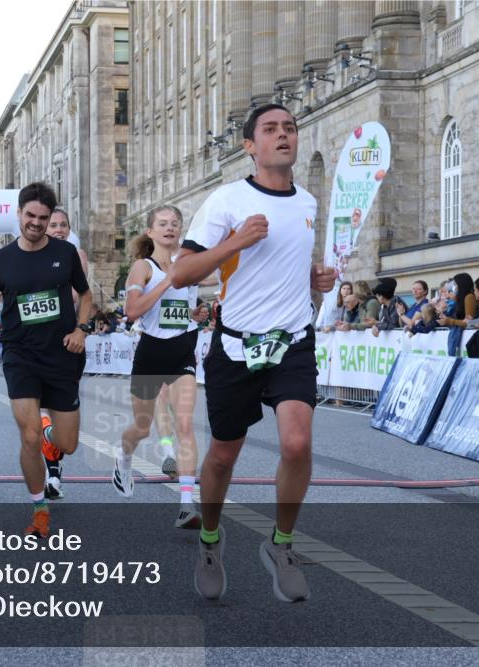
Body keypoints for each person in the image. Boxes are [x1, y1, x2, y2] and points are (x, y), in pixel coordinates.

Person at [171, 103, 336, 602]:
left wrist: (314, 280)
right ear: (250, 146)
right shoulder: (225, 200)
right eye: (271, 129)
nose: (283, 135)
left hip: (292, 341)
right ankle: (210, 540)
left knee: (297, 443)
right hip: (236, 346)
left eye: (289, 128)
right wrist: (236, 241)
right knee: (223, 456)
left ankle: (281, 544)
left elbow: (283, 268)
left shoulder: (307, 201)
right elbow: (183, 273)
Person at [0, 182, 91, 537]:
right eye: (30, 216)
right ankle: (39, 509)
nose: (36, 223)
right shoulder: (2, 260)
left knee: (67, 445)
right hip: (20, 355)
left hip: (62, 355)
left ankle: (52, 436)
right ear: (18, 214)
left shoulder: (65, 253)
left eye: (43, 218)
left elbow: (84, 295)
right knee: (29, 436)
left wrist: (82, 329)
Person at [113, 205, 209, 530]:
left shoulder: (190, 266)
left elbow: (185, 308)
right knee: (141, 428)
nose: (170, 228)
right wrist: (168, 280)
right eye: (163, 224)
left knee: (185, 425)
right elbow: (132, 311)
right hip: (151, 356)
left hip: (182, 354)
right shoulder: (143, 267)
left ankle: (186, 505)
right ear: (151, 232)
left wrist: (196, 313)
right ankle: (123, 459)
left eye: (175, 224)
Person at [437, 273, 475, 356]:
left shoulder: (469, 297)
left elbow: (469, 322)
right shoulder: (459, 298)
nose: (453, 288)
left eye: (455, 284)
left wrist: (449, 321)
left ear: (461, 284)